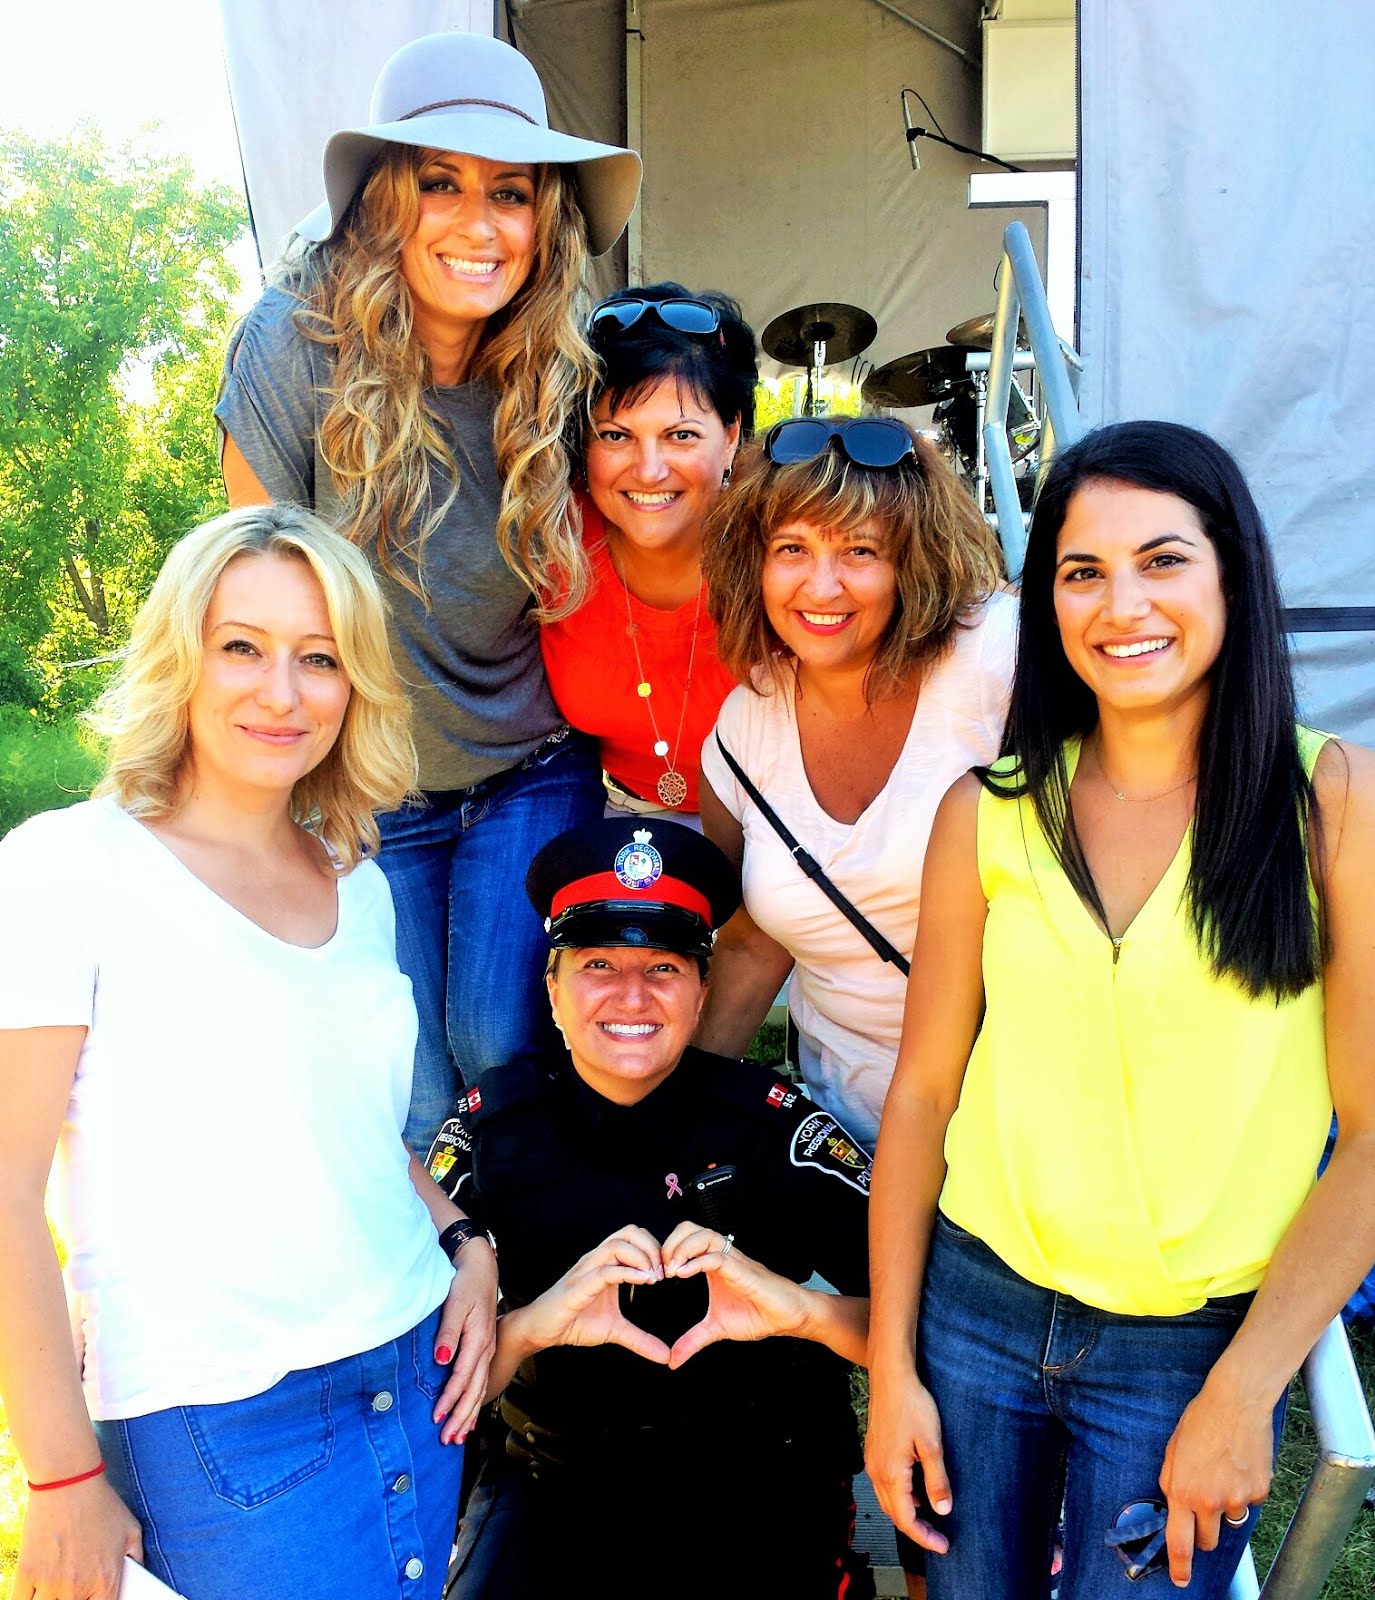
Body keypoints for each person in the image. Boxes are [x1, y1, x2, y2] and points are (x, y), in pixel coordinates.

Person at [865, 422, 1375, 1600]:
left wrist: (1249, 1387)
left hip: (1182, 1348)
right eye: (1080, 571)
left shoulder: (1330, 805)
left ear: (1230, 577)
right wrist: (891, 1362)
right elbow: (925, 1095)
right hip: (975, 1309)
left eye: (1162, 560)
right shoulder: (986, 813)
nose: (1120, 603)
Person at [0, 506, 499, 1600]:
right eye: (243, 646)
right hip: (224, 1424)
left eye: (318, 658)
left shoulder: (358, 884)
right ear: (180, 655)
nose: (282, 693)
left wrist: (468, 1243)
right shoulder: (66, 870)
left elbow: (362, 1136)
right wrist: (63, 1475)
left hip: (417, 1372)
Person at [215, 31, 643, 1153]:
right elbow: (247, 596)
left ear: (543, 218)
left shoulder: (564, 368)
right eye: (440, 184)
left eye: (509, 193)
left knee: (499, 1043)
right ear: (384, 203)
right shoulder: (291, 349)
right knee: (408, 1085)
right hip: (366, 787)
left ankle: (530, 1289)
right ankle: (449, 1302)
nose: (478, 223)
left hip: (525, 765)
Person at [425, 818, 878, 1600]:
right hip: (557, 1476)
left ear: (702, 992)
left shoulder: (772, 1128)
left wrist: (798, 1313)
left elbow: (927, 1338)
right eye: (597, 963)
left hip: (761, 1475)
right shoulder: (485, 1134)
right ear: (552, 991)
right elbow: (422, 1385)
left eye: (663, 967)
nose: (630, 996)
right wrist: (535, 1324)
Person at [695, 416, 1013, 1151]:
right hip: (848, 1131)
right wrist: (671, 1117)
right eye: (791, 549)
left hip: (1012, 1129)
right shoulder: (744, 728)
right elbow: (750, 944)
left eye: (859, 551)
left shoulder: (996, 660)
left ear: (912, 560)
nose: (822, 584)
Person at [539, 284, 758, 822]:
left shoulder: (778, 544)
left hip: (773, 830)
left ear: (730, 436)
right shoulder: (551, 537)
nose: (650, 469)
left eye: (681, 435)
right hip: (611, 815)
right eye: (616, 436)